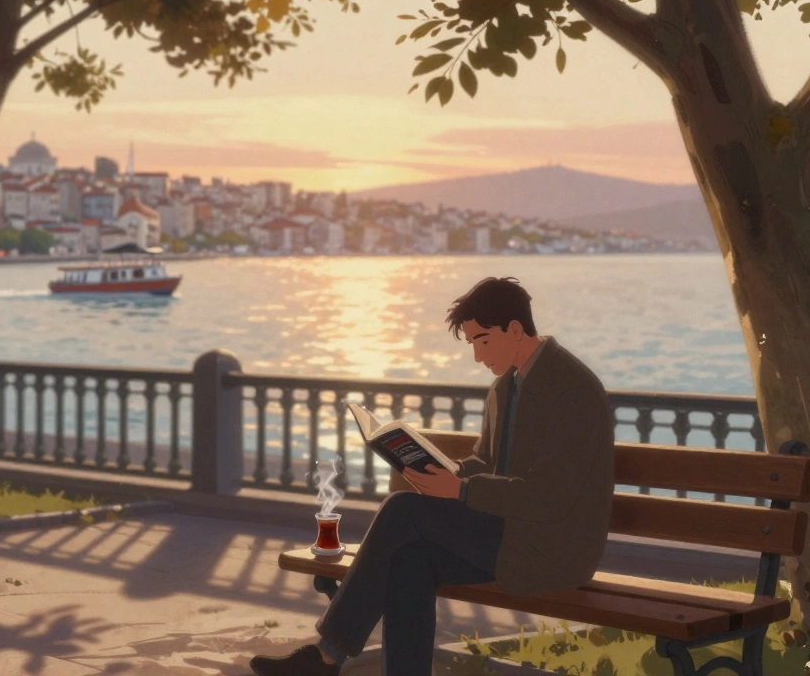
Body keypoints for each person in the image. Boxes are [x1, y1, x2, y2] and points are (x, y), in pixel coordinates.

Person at [250, 276, 616, 676]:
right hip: (509, 534)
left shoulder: (571, 388)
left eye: (483, 341)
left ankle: (326, 656)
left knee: (403, 509)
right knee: (409, 560)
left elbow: (550, 498)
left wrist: (460, 490)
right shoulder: (505, 387)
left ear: (514, 329)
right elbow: (486, 463)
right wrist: (442, 472)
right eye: (472, 343)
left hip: (550, 550)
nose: (477, 356)